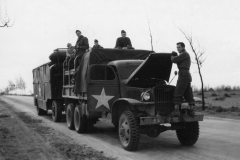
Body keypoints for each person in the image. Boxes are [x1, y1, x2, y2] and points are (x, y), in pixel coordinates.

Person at [171, 42, 195, 116]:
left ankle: (176, 111)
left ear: (183, 47)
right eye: (177, 47)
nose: (178, 49)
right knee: (188, 93)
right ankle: (191, 111)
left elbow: (174, 60)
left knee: (178, 93)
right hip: (185, 74)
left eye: (179, 47)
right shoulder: (184, 55)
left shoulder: (184, 54)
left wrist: (172, 55)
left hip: (183, 74)